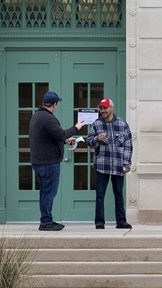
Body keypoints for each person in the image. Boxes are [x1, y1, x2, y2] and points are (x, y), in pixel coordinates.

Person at [29, 91, 86, 231]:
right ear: (54, 104)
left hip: (39, 161)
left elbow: (50, 138)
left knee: (44, 192)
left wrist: (66, 142)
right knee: (49, 192)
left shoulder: (37, 116)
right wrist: (76, 128)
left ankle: (46, 220)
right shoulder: (48, 118)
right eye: (57, 104)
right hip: (48, 162)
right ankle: (46, 222)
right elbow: (61, 134)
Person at [86, 98, 133, 230]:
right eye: (101, 108)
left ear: (111, 108)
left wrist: (127, 163)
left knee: (118, 194)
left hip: (119, 166)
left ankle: (121, 222)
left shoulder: (123, 124)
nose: (103, 111)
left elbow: (128, 145)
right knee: (100, 195)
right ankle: (99, 222)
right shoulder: (96, 124)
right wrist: (97, 139)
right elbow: (89, 142)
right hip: (102, 166)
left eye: (105, 108)